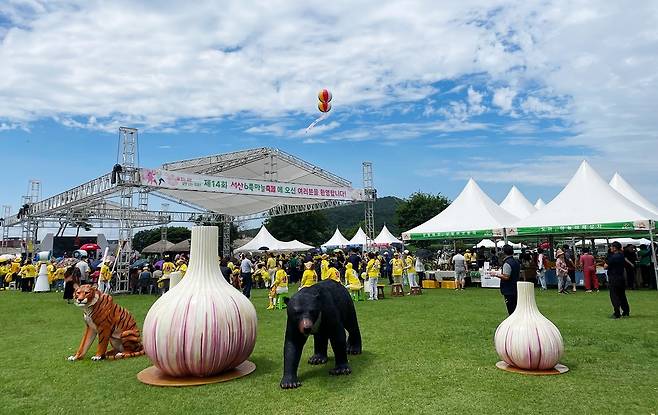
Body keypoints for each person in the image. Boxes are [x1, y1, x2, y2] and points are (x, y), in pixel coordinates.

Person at [605, 241, 630, 319]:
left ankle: (617, 313)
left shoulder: (613, 257)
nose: (610, 248)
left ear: (615, 248)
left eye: (611, 247)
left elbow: (606, 266)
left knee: (614, 296)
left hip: (613, 277)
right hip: (621, 277)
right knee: (622, 295)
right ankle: (626, 311)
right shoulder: (622, 256)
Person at [499, 244, 520, 314]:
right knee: (516, 307)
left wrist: (496, 275)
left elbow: (506, 277)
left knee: (511, 309)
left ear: (504, 252)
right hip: (515, 287)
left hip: (509, 289)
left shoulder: (507, 263)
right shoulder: (516, 261)